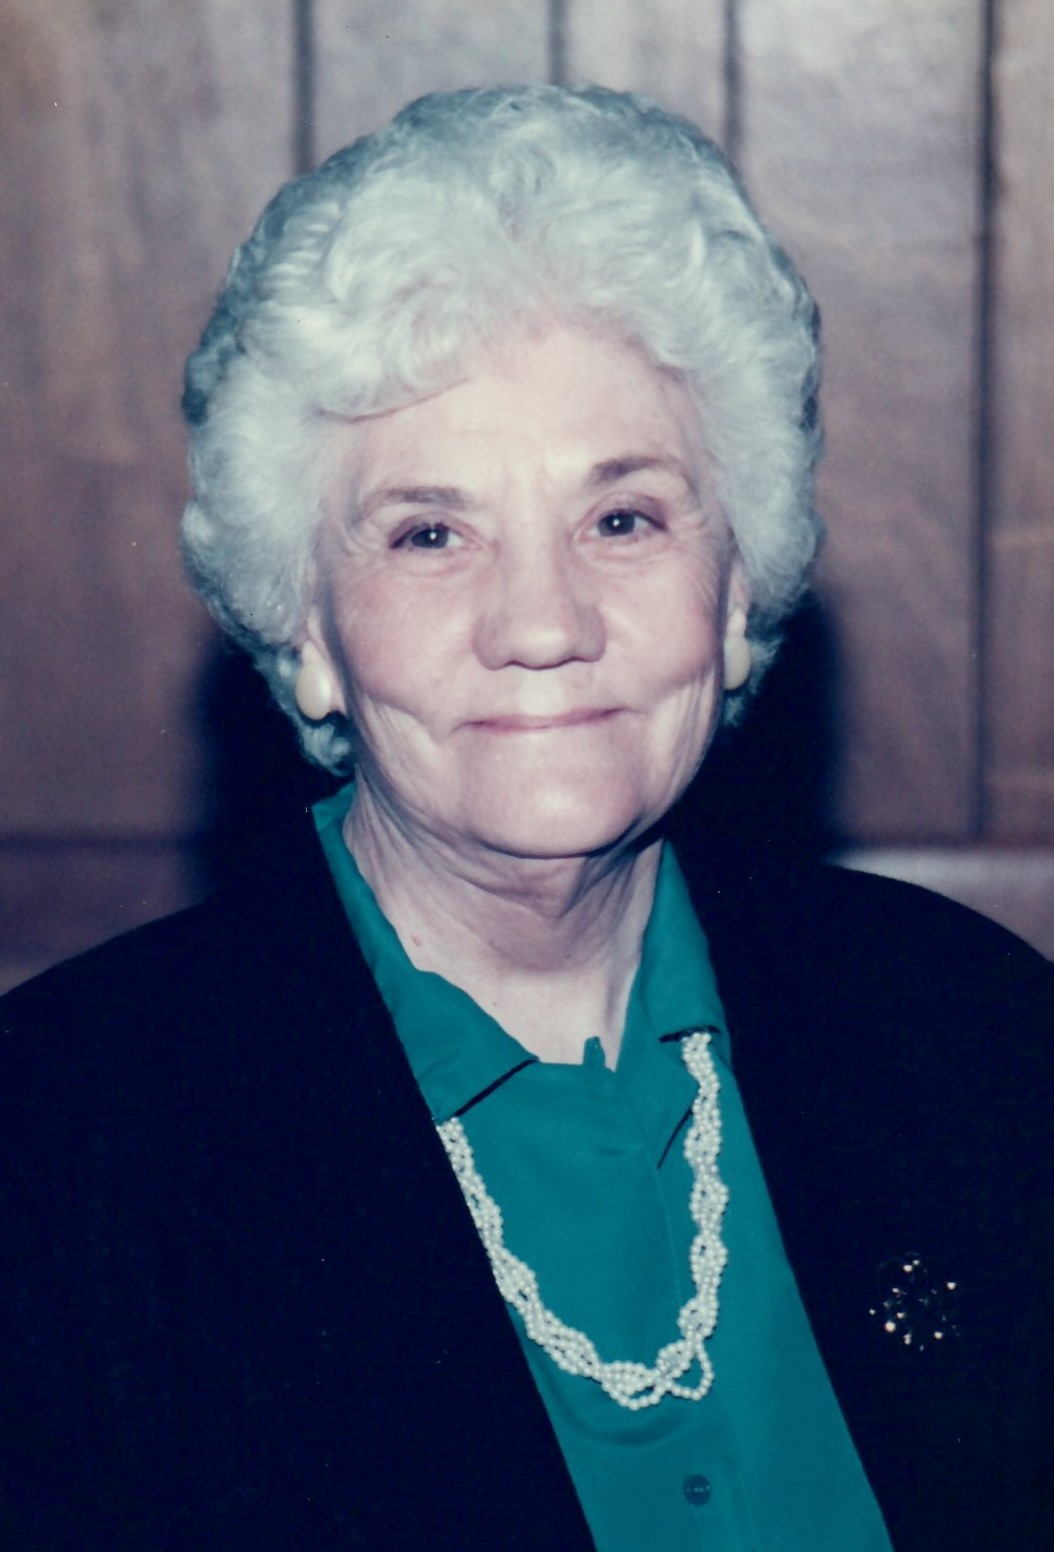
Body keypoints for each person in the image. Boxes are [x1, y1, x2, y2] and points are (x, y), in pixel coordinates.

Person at [1, 85, 1051, 1552]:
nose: (545, 625)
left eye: (622, 518)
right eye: (431, 534)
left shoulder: (977, 1036)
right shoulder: (57, 1155)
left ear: (733, 593)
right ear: (307, 629)